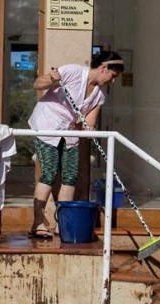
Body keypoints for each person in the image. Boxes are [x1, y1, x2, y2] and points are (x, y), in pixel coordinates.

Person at [27, 51, 124, 239]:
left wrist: (90, 129)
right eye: (113, 76)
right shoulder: (72, 72)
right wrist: (52, 80)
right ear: (104, 68)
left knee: (71, 175)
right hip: (47, 124)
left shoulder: (100, 94)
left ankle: (62, 223)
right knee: (49, 171)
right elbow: (37, 84)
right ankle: (37, 222)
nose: (113, 81)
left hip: (70, 131)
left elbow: (88, 122)